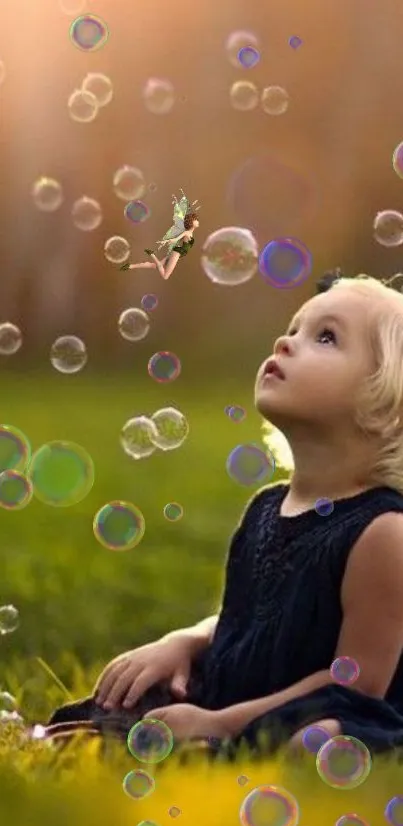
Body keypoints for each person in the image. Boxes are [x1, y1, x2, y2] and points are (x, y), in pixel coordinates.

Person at [46, 272, 403, 758]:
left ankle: (223, 739)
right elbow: (244, 620)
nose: (286, 341)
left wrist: (220, 722)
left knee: (318, 740)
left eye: (325, 337)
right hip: (246, 692)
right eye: (294, 327)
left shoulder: (383, 533)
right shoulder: (265, 507)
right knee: (133, 700)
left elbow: (357, 687)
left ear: (386, 403)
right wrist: (186, 641)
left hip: (327, 710)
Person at [118, 190, 200, 280]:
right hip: (177, 253)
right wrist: (165, 241)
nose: (197, 221)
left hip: (178, 253)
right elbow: (175, 239)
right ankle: (152, 255)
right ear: (191, 222)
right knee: (165, 276)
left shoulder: (189, 232)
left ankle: (131, 266)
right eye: (195, 219)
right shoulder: (187, 233)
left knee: (155, 266)